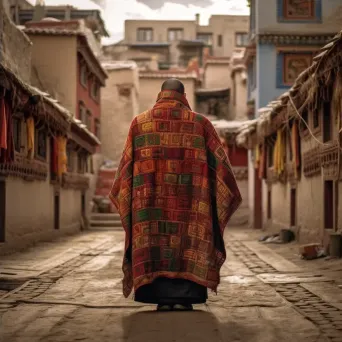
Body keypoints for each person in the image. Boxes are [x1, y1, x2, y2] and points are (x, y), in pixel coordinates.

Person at [109, 78, 242, 311]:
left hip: (149, 212)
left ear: (161, 94)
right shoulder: (201, 124)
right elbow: (222, 173)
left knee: (154, 242)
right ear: (184, 96)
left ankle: (160, 299)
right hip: (193, 210)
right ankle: (186, 297)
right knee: (188, 241)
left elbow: (126, 174)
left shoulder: (139, 124)